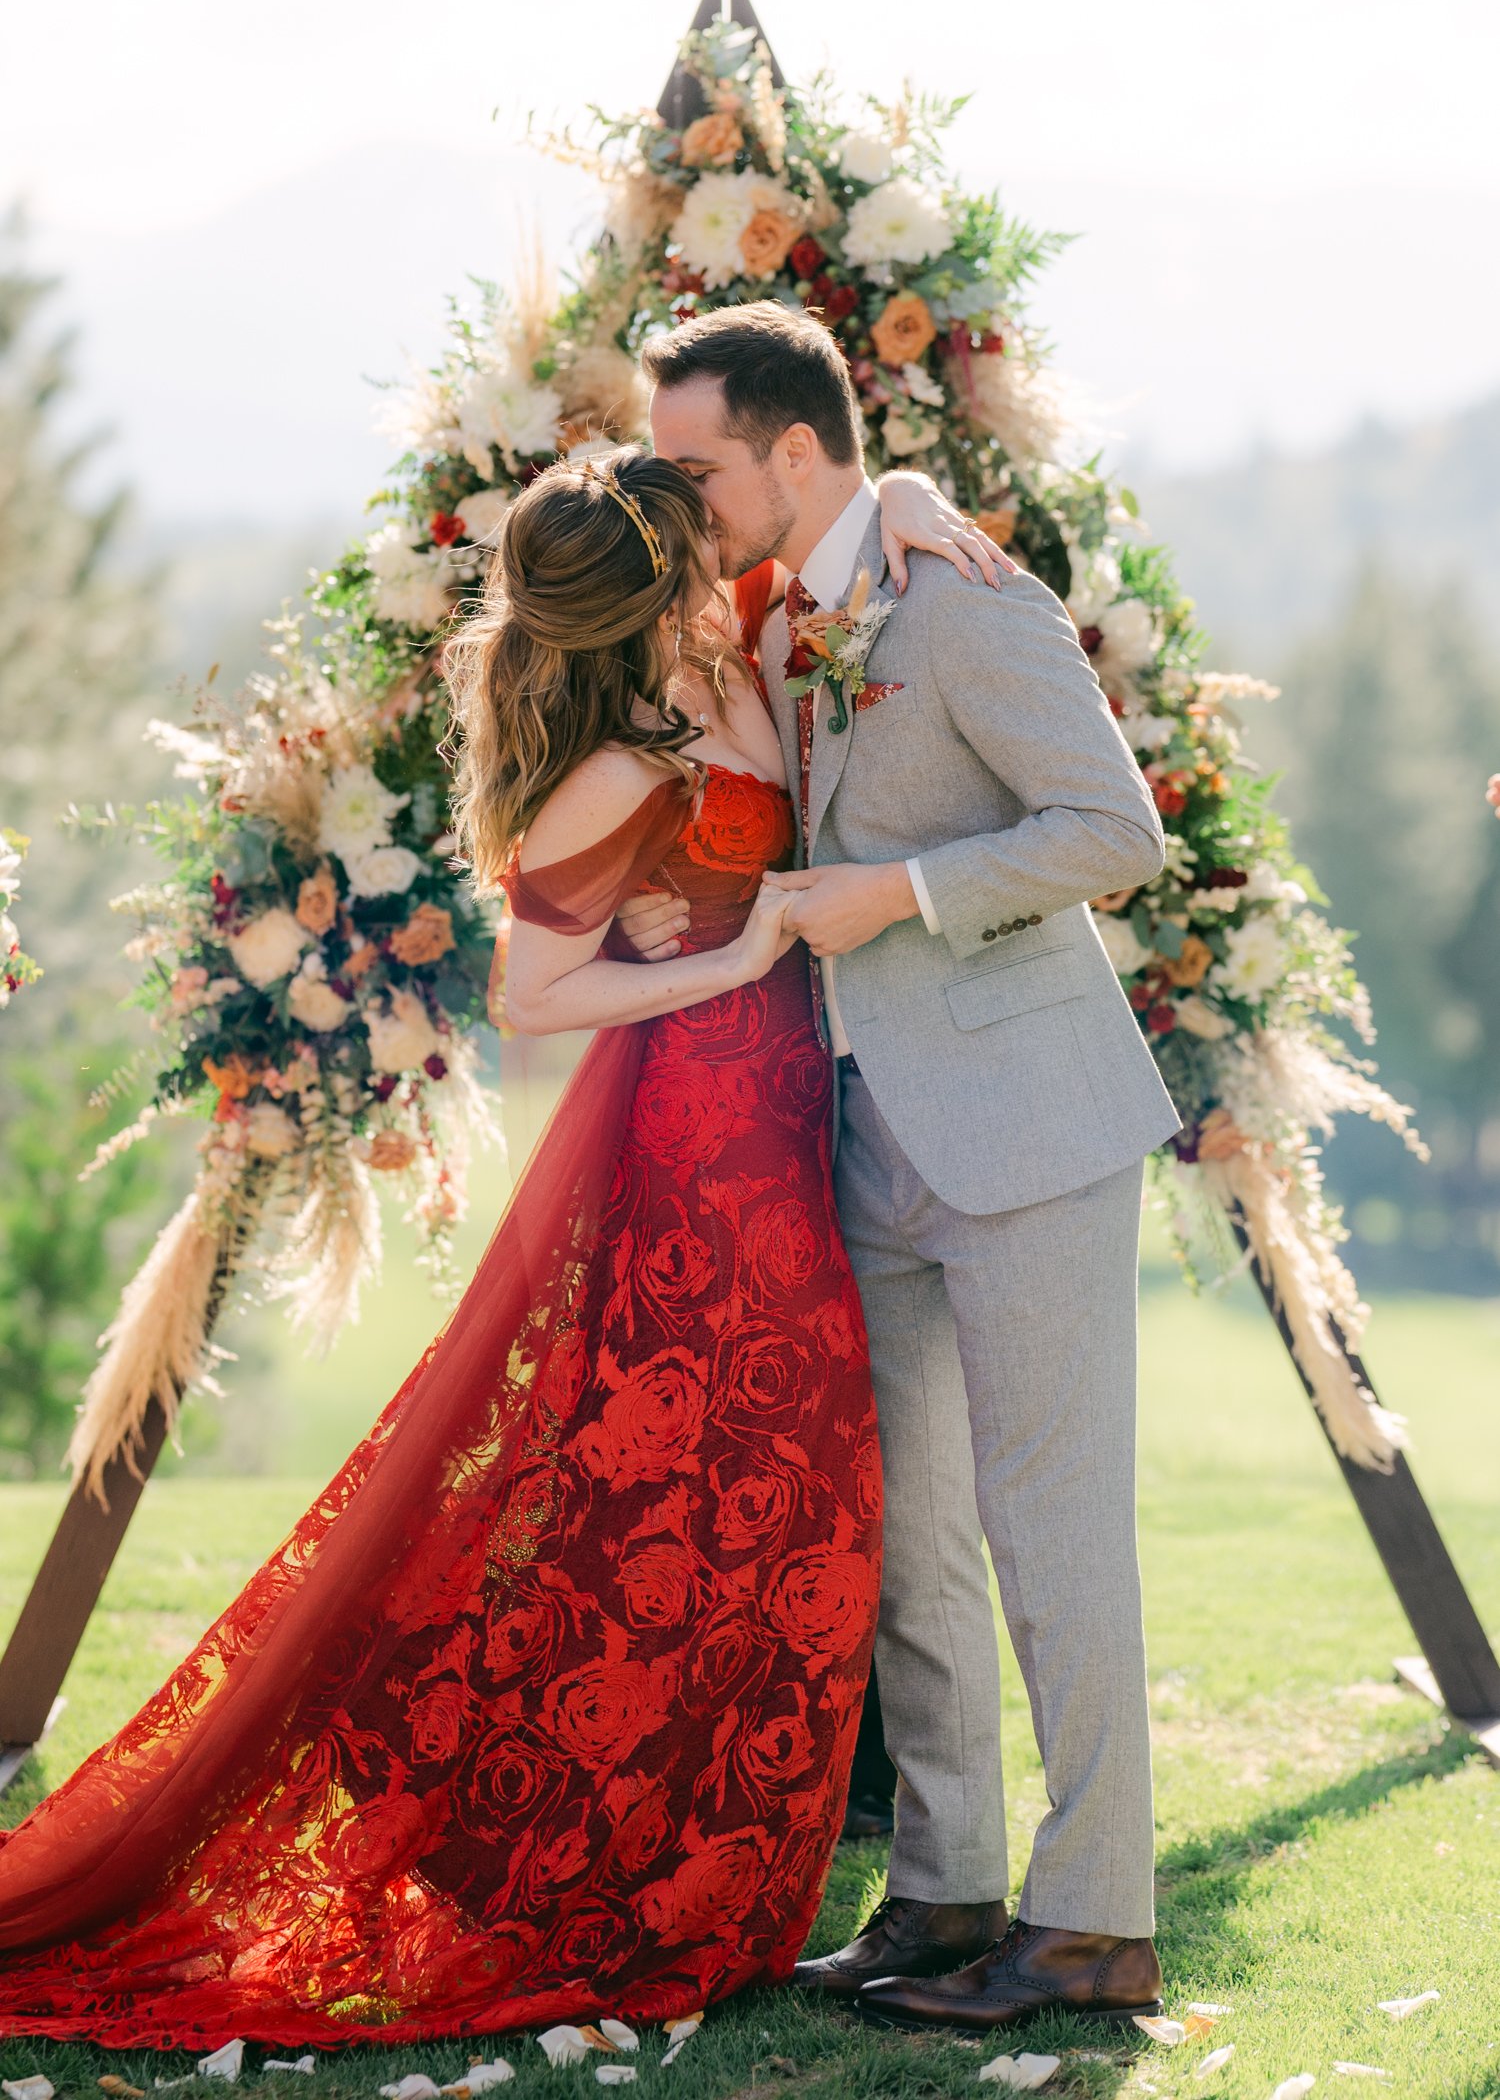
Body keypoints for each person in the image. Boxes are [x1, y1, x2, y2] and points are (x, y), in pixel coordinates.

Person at [0, 452, 981, 2048]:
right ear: (659, 574)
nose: (722, 533)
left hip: (794, 1123)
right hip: (701, 1156)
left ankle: (713, 1853)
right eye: (694, 527)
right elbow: (534, 994)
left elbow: (861, 511)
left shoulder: (733, 638)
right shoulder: (609, 769)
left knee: (791, 1491)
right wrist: (731, 950)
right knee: (727, 1490)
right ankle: (639, 1865)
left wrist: (922, 499)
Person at [623, 302, 1182, 2032]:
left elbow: (1117, 832)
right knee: (913, 1535)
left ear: (798, 447)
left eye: (695, 465)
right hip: (869, 1135)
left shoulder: (970, 601)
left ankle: (1093, 1918)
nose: (677, 495)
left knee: (1051, 1527)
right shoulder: (791, 622)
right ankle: (943, 1894)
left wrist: (905, 893)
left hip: (1029, 1131)